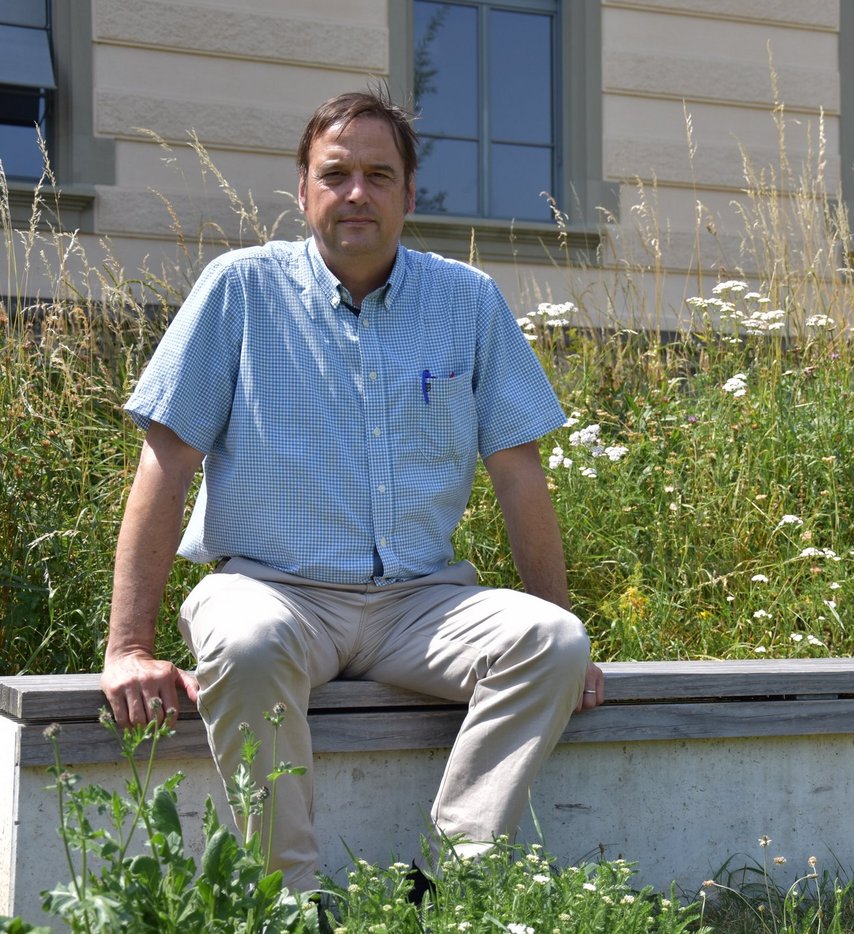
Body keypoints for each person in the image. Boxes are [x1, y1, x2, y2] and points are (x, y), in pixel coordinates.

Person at [99, 88, 604, 893]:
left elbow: (519, 473)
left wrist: (559, 617)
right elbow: (166, 463)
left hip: (420, 605)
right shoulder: (239, 290)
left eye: (379, 173)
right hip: (272, 590)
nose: (357, 192)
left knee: (552, 640)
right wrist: (127, 648)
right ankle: (288, 900)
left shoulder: (467, 301)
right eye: (335, 174)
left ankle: (445, 889)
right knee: (248, 642)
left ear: (409, 193)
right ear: (303, 190)